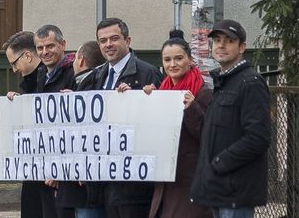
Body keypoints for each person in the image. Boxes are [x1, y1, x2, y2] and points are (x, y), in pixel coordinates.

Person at [191, 19, 271, 218]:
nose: (221, 45)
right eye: (217, 40)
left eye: (229, 40)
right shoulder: (224, 82)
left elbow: (258, 137)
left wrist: (220, 162)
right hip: (219, 189)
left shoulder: (250, 83)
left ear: (242, 47)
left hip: (235, 191)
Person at [93, 18, 162, 218]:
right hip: (107, 179)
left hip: (135, 184)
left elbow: (156, 121)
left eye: (114, 38)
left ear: (127, 40)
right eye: (103, 40)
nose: (108, 45)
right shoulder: (98, 75)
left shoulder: (147, 73)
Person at [143, 31, 213, 218]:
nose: (172, 64)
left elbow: (208, 136)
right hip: (165, 179)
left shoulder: (202, 93)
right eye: (167, 60)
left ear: (189, 60)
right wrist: (145, 100)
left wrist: (192, 108)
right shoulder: (161, 91)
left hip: (190, 179)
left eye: (178, 58)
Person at [54, 41, 106, 218]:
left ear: (81, 60)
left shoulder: (87, 86)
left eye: (75, 57)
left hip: (85, 190)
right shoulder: (84, 85)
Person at [34, 24, 75, 218]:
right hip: (46, 163)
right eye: (40, 48)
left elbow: (72, 127)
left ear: (62, 45)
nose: (44, 52)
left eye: (50, 46)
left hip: (64, 168)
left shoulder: (72, 72)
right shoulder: (42, 73)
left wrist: (58, 167)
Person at [3, 31, 44, 218]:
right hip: (33, 165)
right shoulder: (29, 82)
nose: (14, 69)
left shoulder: (46, 78)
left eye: (14, 63)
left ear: (27, 55)